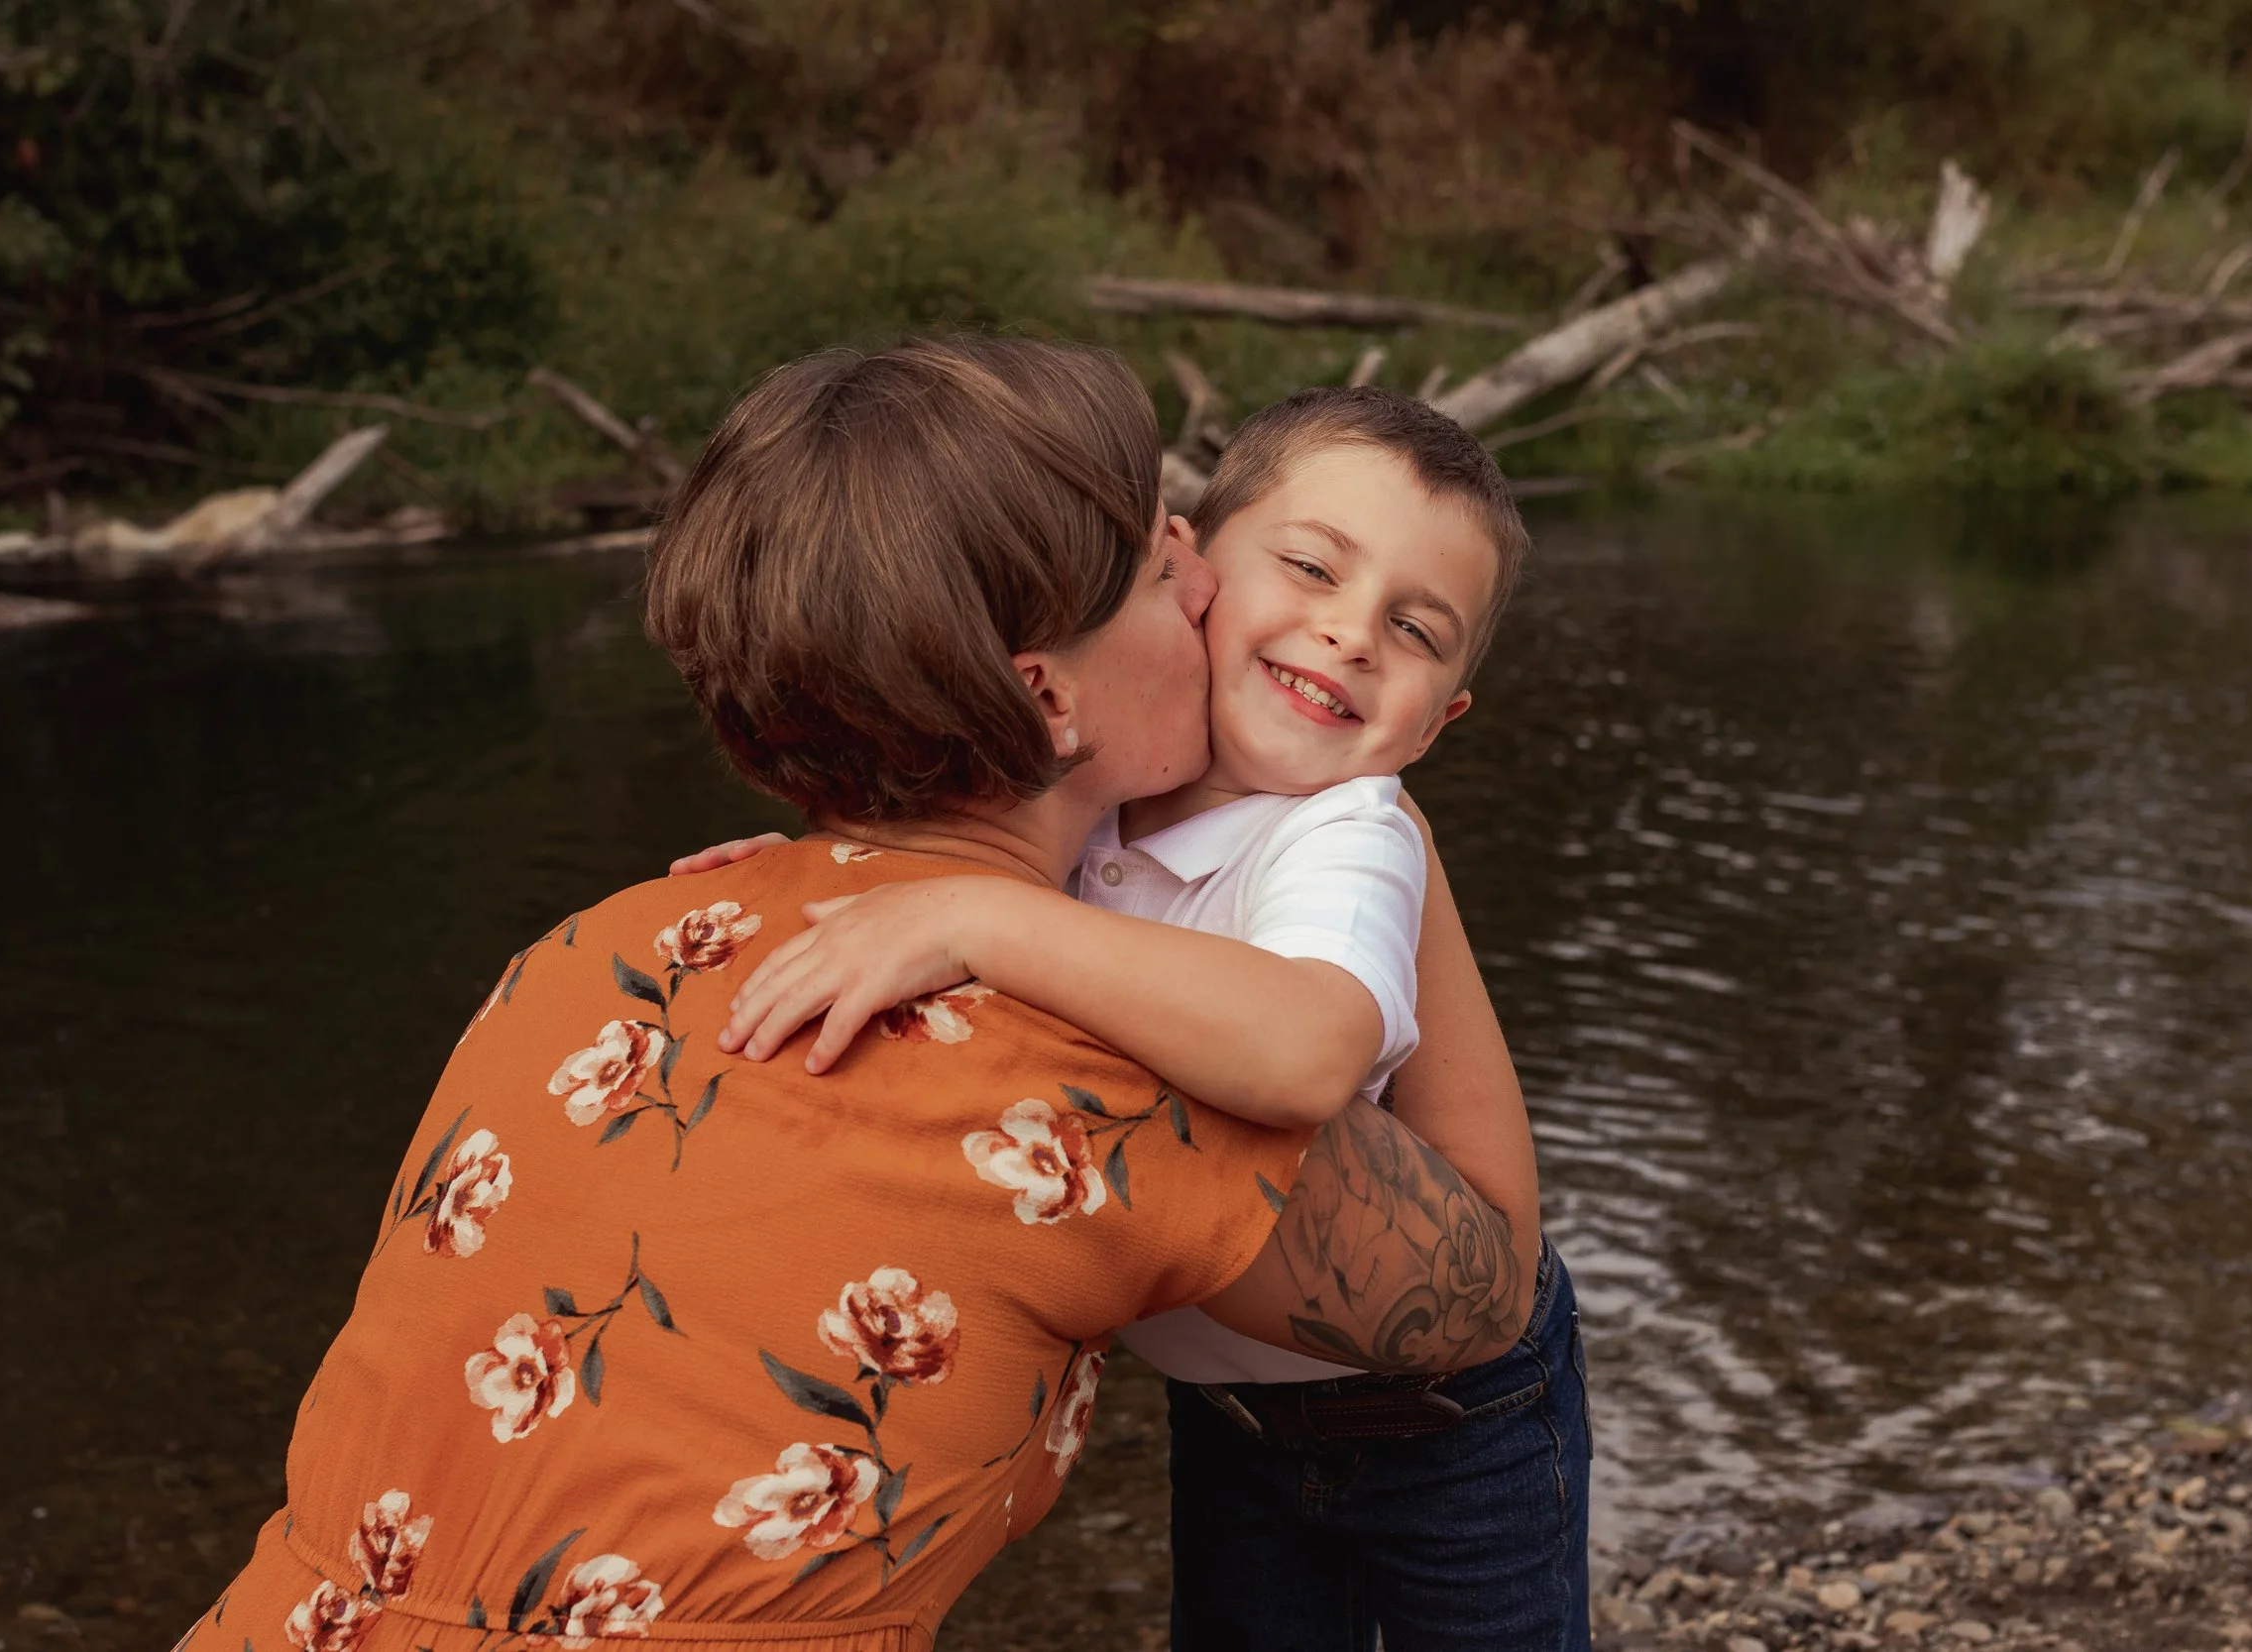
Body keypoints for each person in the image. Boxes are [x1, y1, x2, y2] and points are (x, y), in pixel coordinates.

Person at [174, 337, 1532, 1652]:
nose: (1199, 575)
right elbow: (1490, 1289)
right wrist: (1389, 827)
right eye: (1152, 565)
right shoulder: (1092, 1085)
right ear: (1044, 699)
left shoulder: (583, 953)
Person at [692, 387, 1590, 1651]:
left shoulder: (1345, 832)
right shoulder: (1098, 798)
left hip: (1459, 1423)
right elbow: (947, 849)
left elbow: (1305, 1050)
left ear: (1436, 723)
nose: (1349, 634)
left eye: (1413, 628)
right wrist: (824, 881)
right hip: (1231, 1410)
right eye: (1311, 567)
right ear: (1196, 578)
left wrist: (973, 918)